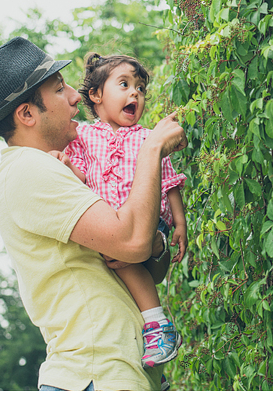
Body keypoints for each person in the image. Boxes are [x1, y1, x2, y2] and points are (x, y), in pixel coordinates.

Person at [0, 37, 186, 391]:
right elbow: (131, 242)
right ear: (27, 114)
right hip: (94, 376)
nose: (75, 96)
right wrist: (152, 148)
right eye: (58, 89)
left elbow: (147, 263)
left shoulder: (66, 168)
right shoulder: (28, 169)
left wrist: (157, 244)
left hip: (114, 374)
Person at [52, 52, 187, 368]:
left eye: (140, 88)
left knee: (125, 262)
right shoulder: (84, 136)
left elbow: (169, 181)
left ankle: (160, 326)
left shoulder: (147, 137)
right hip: (112, 221)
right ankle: (149, 327)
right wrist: (67, 165)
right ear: (96, 96)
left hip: (147, 219)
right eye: (124, 85)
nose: (134, 94)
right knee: (116, 262)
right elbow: (82, 176)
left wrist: (179, 223)